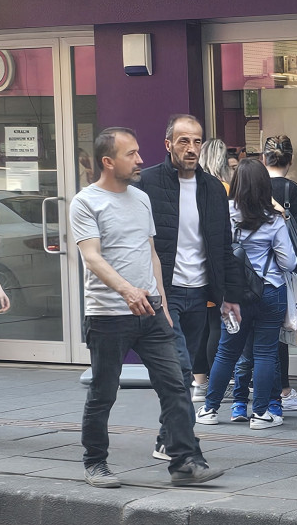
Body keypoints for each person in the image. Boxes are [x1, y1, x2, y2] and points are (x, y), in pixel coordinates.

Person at [71, 127, 223, 488]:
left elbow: (151, 253)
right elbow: (91, 257)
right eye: (131, 154)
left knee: (175, 383)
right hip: (108, 315)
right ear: (108, 162)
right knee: (103, 392)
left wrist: (162, 304)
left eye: (139, 152)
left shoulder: (140, 199)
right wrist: (127, 291)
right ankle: (95, 463)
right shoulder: (86, 202)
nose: (140, 159)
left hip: (152, 311)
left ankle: (184, 460)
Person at [135, 114, 242, 460]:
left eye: (197, 141)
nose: (192, 148)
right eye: (184, 141)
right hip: (163, 293)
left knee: (189, 372)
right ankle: (182, 447)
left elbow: (224, 245)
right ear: (168, 144)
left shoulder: (213, 188)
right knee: (179, 370)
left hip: (201, 293)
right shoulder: (147, 183)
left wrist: (228, 296)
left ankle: (166, 438)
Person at [195, 159, 296, 430]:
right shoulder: (273, 219)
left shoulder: (223, 213)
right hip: (270, 291)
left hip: (234, 294)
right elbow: (289, 263)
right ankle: (261, 414)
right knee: (265, 353)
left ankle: (210, 409)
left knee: (227, 353)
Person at [259, 134, 297, 413]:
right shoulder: (291, 189)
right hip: (283, 266)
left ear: (262, 158)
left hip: (256, 265)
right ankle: (283, 390)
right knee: (281, 328)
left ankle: (259, 387)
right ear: (290, 160)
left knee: (261, 331)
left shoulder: (254, 186)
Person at [188, 137, 232, 401]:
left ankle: (199, 384)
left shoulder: (192, 187)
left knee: (199, 327)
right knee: (216, 323)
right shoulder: (222, 188)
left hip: (192, 265)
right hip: (214, 264)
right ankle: (218, 382)